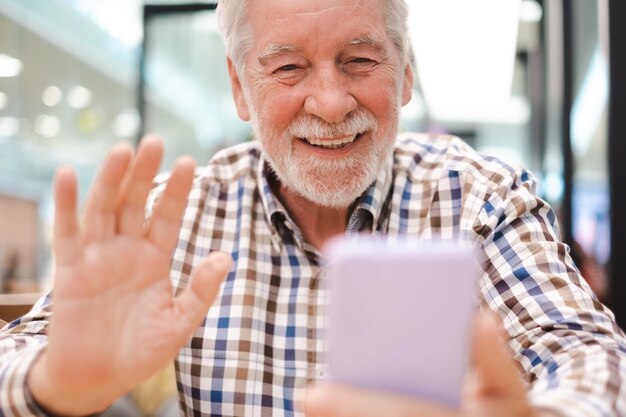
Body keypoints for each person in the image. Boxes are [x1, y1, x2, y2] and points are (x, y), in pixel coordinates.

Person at [1, 0, 625, 416]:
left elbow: (594, 359)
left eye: (360, 60)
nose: (329, 103)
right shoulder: (174, 215)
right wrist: (55, 382)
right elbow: (18, 355)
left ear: (406, 72)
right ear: (240, 86)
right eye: (288, 67)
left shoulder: (482, 198)